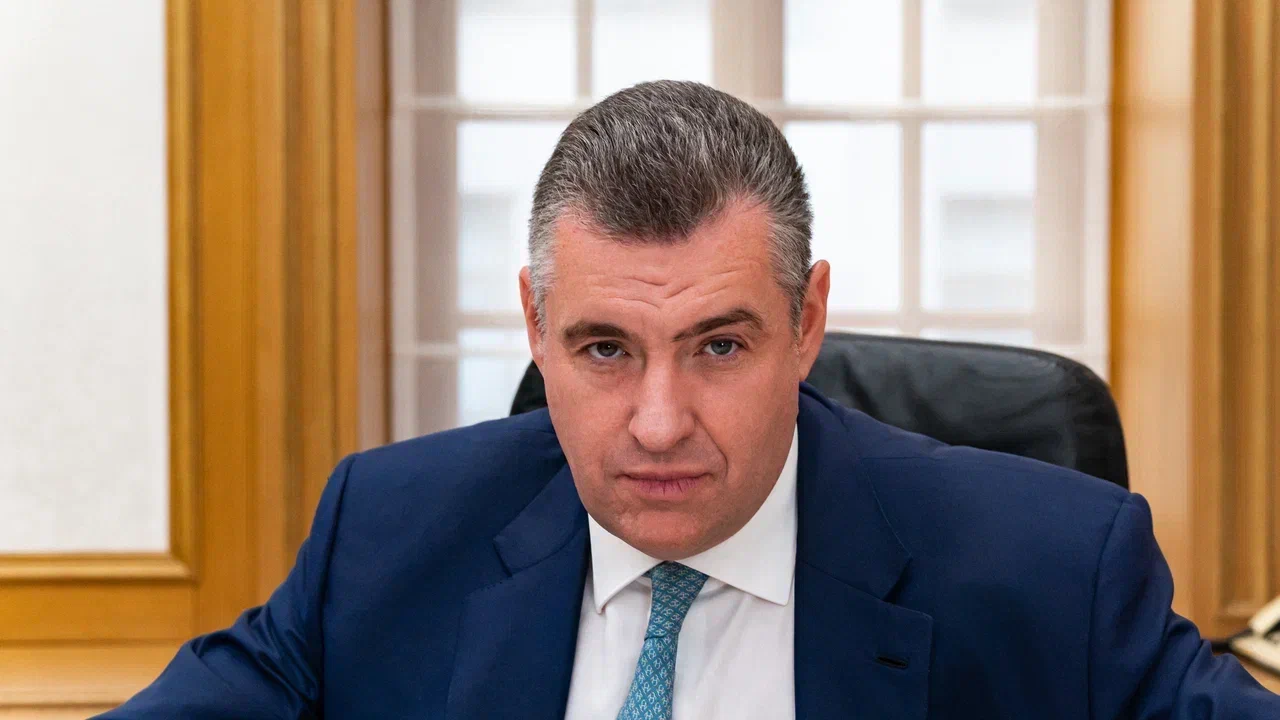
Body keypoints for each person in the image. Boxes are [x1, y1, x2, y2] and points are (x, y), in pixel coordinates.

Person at [101, 80, 1277, 719]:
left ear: (805, 322)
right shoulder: (388, 535)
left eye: (717, 346)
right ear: (533, 325)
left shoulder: (1050, 572)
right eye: (604, 349)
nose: (658, 423)